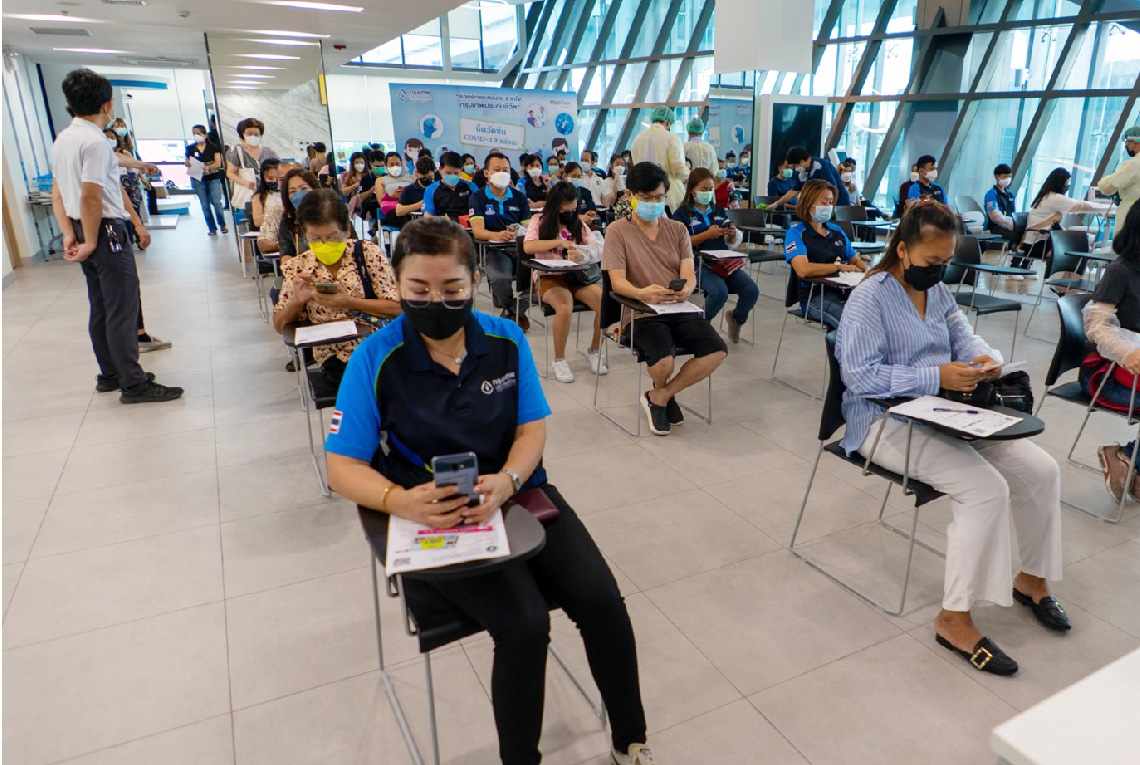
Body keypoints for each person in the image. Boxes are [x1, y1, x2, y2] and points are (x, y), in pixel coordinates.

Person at [324, 216, 655, 765]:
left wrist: (509, 480)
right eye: (418, 289)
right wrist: (400, 501)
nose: (436, 302)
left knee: (601, 601)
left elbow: (531, 431)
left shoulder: (505, 339)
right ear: (397, 285)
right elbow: (343, 466)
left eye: (452, 288)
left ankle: (631, 738)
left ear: (474, 281)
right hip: (436, 511)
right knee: (524, 623)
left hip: (516, 492)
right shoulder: (374, 358)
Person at [837, 200, 1068, 676]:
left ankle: (1032, 579)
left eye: (945, 261)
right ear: (903, 250)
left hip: (947, 411)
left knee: (1042, 471)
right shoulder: (869, 298)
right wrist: (934, 375)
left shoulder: (936, 291)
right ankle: (953, 617)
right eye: (930, 261)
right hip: (883, 420)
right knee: (985, 490)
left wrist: (986, 359)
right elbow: (860, 378)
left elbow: (964, 337)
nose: (938, 270)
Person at [49, 68, 182, 404]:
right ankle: (133, 384)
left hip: (82, 226)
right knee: (122, 308)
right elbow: (90, 197)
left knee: (101, 307)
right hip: (104, 230)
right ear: (107, 104)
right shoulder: (93, 141)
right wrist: (93, 241)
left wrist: (70, 233)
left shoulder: (65, 139)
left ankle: (110, 374)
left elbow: (59, 193)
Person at [602, 162, 728, 436]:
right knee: (664, 362)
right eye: (647, 198)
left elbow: (688, 274)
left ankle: (660, 396)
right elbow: (617, 282)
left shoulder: (677, 229)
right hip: (641, 311)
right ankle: (663, 394)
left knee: (716, 350)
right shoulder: (617, 231)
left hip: (678, 307)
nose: (654, 204)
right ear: (630, 195)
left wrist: (686, 288)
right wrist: (642, 293)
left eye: (659, 198)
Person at [272, 189, 401, 386]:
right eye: (315, 239)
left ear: (347, 230)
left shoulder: (366, 254)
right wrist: (296, 302)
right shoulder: (298, 268)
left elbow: (397, 308)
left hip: (378, 344)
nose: (324, 245)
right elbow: (280, 326)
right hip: (335, 356)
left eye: (332, 238)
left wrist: (350, 302)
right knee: (360, 380)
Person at [1080, 203, 1140, 502]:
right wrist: (1128, 353)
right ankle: (1125, 456)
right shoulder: (1120, 270)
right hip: (1107, 375)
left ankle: (1131, 461)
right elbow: (1097, 327)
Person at [523, 182, 607, 382]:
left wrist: (582, 253)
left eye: (572, 209)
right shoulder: (538, 221)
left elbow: (598, 247)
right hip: (548, 276)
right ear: (555, 207)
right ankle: (559, 360)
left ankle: (594, 350)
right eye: (564, 210)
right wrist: (559, 242)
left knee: (604, 303)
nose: (568, 214)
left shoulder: (578, 223)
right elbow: (528, 247)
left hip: (576, 276)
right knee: (564, 306)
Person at [673, 169, 758, 342]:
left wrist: (731, 235)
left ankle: (736, 319)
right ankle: (698, 328)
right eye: (704, 189)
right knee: (719, 292)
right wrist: (706, 235)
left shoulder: (718, 209)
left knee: (751, 290)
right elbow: (679, 243)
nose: (708, 192)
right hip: (697, 261)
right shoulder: (681, 213)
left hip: (722, 261)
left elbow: (729, 239)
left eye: (711, 189)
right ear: (692, 190)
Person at [784, 179, 868, 328]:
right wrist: (839, 267)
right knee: (850, 322)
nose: (828, 206)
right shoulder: (796, 234)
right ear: (809, 203)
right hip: (815, 296)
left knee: (872, 315)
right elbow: (803, 269)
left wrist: (866, 269)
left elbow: (854, 258)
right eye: (824, 202)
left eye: (830, 202)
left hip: (845, 290)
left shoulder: (837, 231)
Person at [469, 151, 532, 331]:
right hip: (494, 250)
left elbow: (528, 228)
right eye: (497, 169)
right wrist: (496, 235)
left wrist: (518, 231)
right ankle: (511, 309)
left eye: (505, 169)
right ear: (486, 173)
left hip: (520, 248)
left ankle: (512, 311)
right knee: (499, 278)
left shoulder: (519, 197)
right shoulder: (478, 197)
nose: (502, 173)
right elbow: (478, 231)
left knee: (541, 279)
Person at [1022, 168, 1112, 257]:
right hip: (1037, 245)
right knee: (1083, 248)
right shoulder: (1054, 198)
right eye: (1067, 185)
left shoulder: (1045, 196)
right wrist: (1108, 208)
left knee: (1083, 244)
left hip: (1036, 243)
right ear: (1060, 184)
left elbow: (1053, 225)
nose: (1067, 188)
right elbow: (1081, 206)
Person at [630, 106, 688, 212]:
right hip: (669, 197)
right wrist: (687, 171)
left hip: (643, 196)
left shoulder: (637, 140)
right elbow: (678, 170)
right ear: (668, 122)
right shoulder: (672, 138)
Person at [226, 118, 279, 223]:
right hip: (248, 195)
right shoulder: (238, 151)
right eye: (249, 134)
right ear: (242, 134)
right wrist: (245, 183)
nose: (253, 137)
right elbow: (230, 173)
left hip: (267, 194)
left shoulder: (268, 151)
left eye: (256, 134)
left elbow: (280, 169)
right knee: (253, 221)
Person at [185, 124, 227, 237]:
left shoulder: (213, 147)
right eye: (194, 134)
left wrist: (208, 167)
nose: (196, 136)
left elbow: (218, 163)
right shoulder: (190, 148)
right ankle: (212, 228)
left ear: (205, 134)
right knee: (205, 205)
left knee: (216, 201)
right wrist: (187, 163)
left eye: (198, 133)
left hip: (212, 177)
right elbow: (187, 161)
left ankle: (222, 224)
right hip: (197, 178)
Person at [1097, 125, 1140, 227]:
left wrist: (1103, 183)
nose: (1126, 145)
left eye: (1127, 142)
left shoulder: (1134, 164)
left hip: (1131, 214)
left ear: (1133, 142)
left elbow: (1108, 185)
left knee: (1125, 237)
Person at [278, 168, 319, 262]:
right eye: (292, 191)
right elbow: (286, 254)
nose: (299, 194)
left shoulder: (334, 214)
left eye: (304, 188)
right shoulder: (288, 223)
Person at [422, 151, 478, 220]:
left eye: (456, 173)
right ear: (440, 170)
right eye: (448, 173)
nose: (452, 176)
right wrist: (446, 219)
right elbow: (427, 216)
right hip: (443, 225)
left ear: (461, 170)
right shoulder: (431, 190)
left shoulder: (471, 187)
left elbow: (479, 210)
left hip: (468, 224)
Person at [256, 160, 285, 255]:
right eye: (270, 178)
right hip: (272, 235)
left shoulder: (289, 194)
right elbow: (257, 221)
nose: (274, 181)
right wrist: (275, 213)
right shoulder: (260, 197)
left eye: (278, 178)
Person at [984, 163, 1016, 239]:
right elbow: (995, 217)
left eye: (1009, 176)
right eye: (1005, 177)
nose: (1008, 179)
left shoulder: (1010, 194)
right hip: (995, 227)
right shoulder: (991, 194)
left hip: (1009, 225)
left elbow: (1014, 213)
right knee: (1016, 236)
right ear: (997, 177)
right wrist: (1011, 225)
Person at [340, 151, 368, 219]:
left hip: (367, 197)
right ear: (352, 164)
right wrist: (354, 186)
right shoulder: (346, 175)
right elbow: (344, 191)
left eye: (362, 163)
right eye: (357, 163)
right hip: (354, 199)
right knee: (358, 197)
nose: (360, 165)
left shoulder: (368, 175)